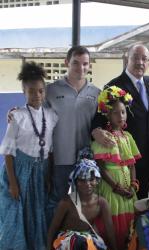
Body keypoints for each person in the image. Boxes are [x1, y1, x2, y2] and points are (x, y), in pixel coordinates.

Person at [8, 46, 100, 202]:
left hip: (86, 159)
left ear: (89, 65)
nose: (81, 68)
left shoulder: (97, 93)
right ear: (66, 63)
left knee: (84, 204)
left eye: (85, 64)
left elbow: (101, 123)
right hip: (58, 159)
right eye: (75, 63)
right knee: (56, 203)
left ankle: (80, 228)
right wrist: (15, 112)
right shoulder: (50, 90)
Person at [0, 62, 58, 250]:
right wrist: (13, 183)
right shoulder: (17, 117)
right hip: (22, 172)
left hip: (41, 172)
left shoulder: (51, 116)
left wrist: (50, 174)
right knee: (24, 217)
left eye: (41, 90)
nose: (37, 95)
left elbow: (50, 150)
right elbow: (8, 151)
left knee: (39, 215)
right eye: (31, 91)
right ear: (24, 91)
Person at [92, 44, 149, 199]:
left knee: (142, 197)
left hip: (147, 155)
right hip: (124, 157)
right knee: (126, 199)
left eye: (144, 59)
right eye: (136, 58)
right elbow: (99, 118)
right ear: (127, 59)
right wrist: (95, 131)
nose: (140, 62)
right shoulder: (113, 86)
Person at [45, 159, 118, 250]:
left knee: (98, 244)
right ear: (75, 182)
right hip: (67, 241)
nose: (87, 184)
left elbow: (110, 231)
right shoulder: (66, 203)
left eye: (91, 179)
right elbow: (52, 230)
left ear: (97, 181)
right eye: (82, 180)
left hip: (87, 238)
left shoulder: (101, 202)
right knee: (75, 241)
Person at [91, 86, 140, 250]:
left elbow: (132, 164)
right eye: (115, 113)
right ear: (107, 115)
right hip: (111, 188)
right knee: (113, 223)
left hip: (128, 188)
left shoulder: (128, 137)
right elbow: (101, 167)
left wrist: (133, 185)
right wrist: (116, 187)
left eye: (123, 112)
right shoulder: (104, 138)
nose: (121, 116)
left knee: (129, 223)